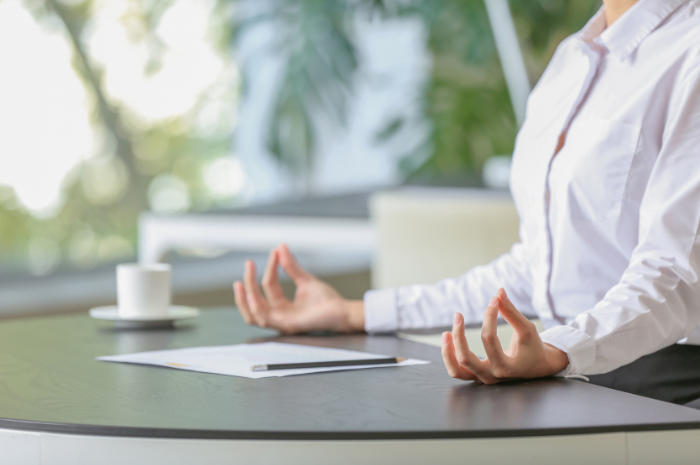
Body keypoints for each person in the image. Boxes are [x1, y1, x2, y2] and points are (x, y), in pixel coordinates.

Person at [233, 0, 700, 404]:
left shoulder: (690, 49)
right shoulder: (570, 62)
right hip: (564, 371)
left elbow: (676, 274)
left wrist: (561, 350)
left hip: (661, 385)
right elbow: (537, 268)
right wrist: (355, 313)